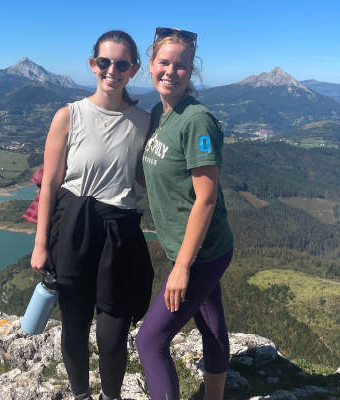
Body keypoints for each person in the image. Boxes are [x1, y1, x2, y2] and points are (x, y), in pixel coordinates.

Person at [30, 30, 154, 400]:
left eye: (121, 64)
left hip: (120, 232)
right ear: (93, 64)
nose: (111, 70)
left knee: (112, 335)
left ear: (132, 70)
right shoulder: (68, 116)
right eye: (105, 62)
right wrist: (40, 244)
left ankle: (110, 397)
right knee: (74, 326)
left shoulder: (145, 122)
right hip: (72, 227)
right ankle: (82, 395)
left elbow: (147, 178)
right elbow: (50, 184)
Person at [136, 28, 234, 400]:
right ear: (150, 65)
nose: (170, 71)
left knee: (150, 341)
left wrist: (182, 267)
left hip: (201, 254)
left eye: (180, 66)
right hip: (192, 251)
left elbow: (205, 199)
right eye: (164, 63)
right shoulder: (159, 114)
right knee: (210, 324)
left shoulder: (197, 120)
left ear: (191, 72)